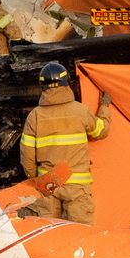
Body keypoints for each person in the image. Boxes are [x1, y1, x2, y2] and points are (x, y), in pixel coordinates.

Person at [20, 62, 111, 224]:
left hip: (47, 182)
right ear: (66, 83)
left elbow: (26, 155)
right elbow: (100, 131)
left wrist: (34, 179)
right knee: (81, 233)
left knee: (46, 232)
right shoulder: (81, 111)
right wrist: (104, 107)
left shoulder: (35, 116)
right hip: (76, 184)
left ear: (43, 87)